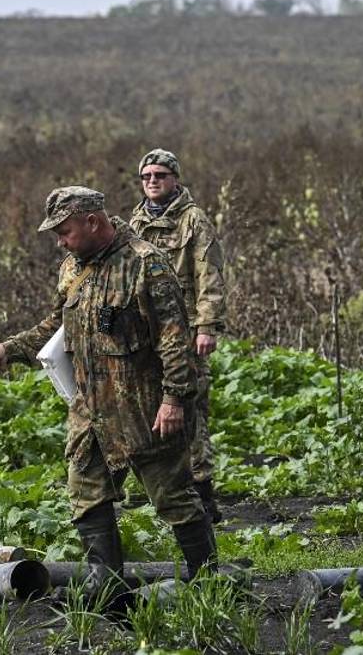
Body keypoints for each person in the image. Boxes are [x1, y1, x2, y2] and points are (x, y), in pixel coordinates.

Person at [0, 186, 216, 594]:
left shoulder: (145, 266)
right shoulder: (73, 267)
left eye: (65, 231)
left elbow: (175, 340)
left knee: (172, 497)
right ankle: (108, 586)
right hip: (89, 407)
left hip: (143, 406)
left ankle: (208, 580)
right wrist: (9, 349)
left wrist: (174, 399)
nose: (60, 241)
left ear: (92, 222)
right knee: (85, 492)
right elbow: (56, 327)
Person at [129, 149, 228, 523]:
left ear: (175, 179)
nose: (152, 181)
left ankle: (203, 495)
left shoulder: (193, 221)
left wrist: (206, 326)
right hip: (145, 332)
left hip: (185, 329)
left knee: (190, 408)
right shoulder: (134, 223)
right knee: (149, 407)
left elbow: (210, 276)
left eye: (160, 175)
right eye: (146, 176)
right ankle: (163, 490)